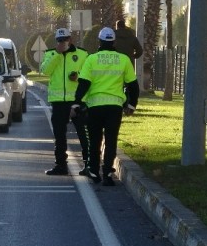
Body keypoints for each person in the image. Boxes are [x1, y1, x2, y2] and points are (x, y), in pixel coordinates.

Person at [72, 27, 139, 186]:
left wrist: (76, 102)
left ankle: (94, 172)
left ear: (100, 41)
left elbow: (84, 84)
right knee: (111, 140)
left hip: (94, 107)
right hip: (114, 107)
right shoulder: (124, 60)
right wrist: (131, 104)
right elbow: (133, 85)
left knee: (95, 141)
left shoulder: (91, 59)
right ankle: (108, 173)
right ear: (113, 42)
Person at [40, 28, 90, 176]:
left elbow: (89, 74)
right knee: (59, 135)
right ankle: (61, 165)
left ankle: (88, 164)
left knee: (82, 133)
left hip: (77, 100)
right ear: (56, 41)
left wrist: (78, 76)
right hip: (58, 102)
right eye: (60, 40)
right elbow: (45, 71)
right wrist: (57, 54)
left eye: (65, 39)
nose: (63, 42)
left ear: (71, 39)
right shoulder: (50, 54)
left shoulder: (82, 54)